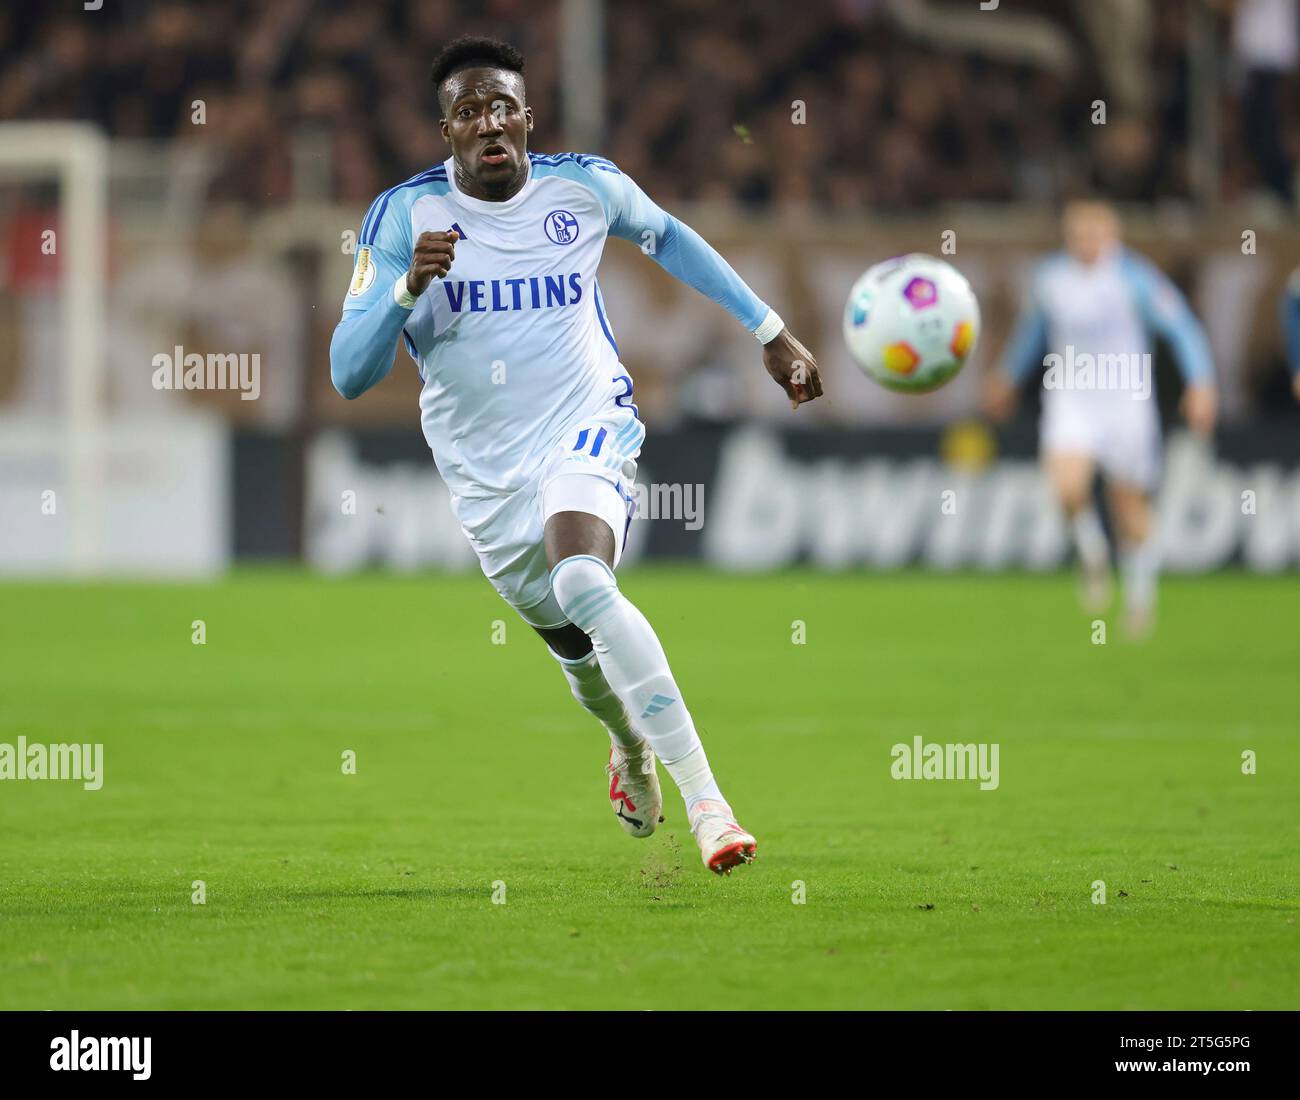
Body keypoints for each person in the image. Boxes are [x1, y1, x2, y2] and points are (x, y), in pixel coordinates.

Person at [329, 36, 822, 873]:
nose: (489, 123)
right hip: (485, 472)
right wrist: (408, 286)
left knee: (584, 578)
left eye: (502, 107)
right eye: (469, 111)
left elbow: (670, 238)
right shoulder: (402, 218)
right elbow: (348, 372)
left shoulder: (583, 186)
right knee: (570, 645)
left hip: (586, 423)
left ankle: (709, 803)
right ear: (445, 130)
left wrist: (769, 332)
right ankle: (626, 743)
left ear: (527, 117)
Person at [983, 200, 1216, 637]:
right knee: (1067, 487)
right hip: (1071, 396)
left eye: (1095, 233)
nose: (1087, 241)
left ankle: (1139, 601)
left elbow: (1182, 327)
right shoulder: (1050, 278)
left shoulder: (1134, 278)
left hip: (1125, 400)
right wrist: (1007, 378)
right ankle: (1093, 556)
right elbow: (1032, 333)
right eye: (1079, 233)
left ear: (1113, 236)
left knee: (1127, 506)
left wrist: (1200, 382)